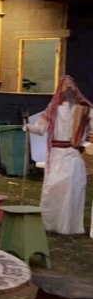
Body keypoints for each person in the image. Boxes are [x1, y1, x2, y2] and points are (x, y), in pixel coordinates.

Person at [24, 76, 93, 236]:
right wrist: (28, 127)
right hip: (56, 155)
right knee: (53, 187)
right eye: (65, 85)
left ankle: (68, 226)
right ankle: (50, 224)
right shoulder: (53, 109)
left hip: (73, 154)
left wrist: (86, 142)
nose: (68, 88)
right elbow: (40, 129)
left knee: (71, 188)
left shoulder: (84, 110)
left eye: (71, 85)